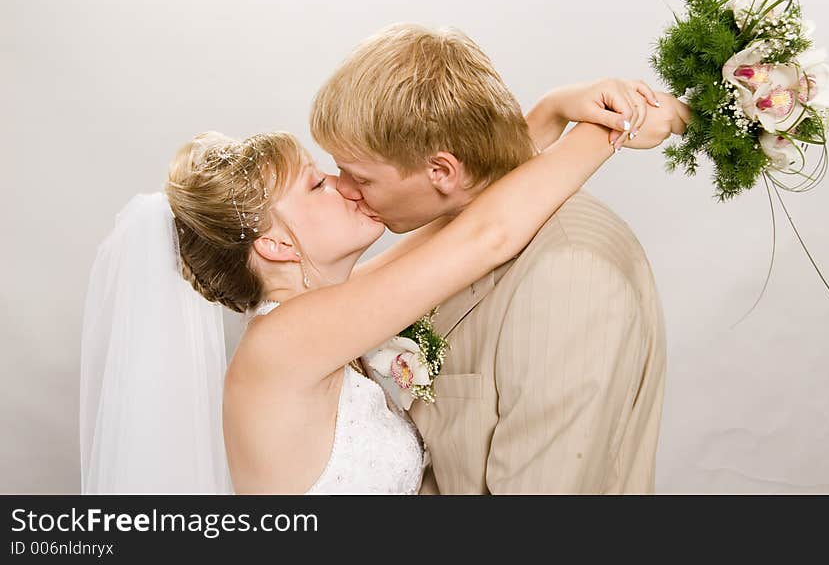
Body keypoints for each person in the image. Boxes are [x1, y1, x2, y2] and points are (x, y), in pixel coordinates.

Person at [80, 40, 687, 495]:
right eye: (317, 184)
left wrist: (554, 111)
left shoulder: (319, 316)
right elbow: (484, 236)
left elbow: (457, 211)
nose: (345, 186)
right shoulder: (285, 345)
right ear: (277, 247)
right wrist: (613, 130)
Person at [310, 24, 690, 493]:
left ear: (442, 171)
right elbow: (489, 226)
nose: (342, 189)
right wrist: (587, 118)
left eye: (359, 177)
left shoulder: (568, 276)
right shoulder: (458, 227)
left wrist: (568, 112)